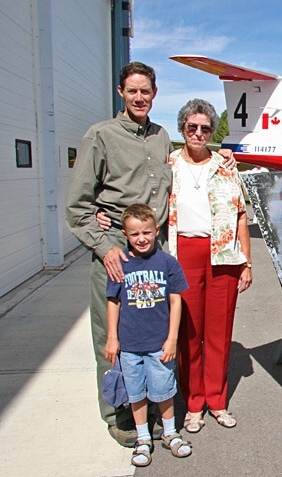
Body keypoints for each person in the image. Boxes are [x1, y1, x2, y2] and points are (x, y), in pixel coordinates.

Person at [66, 61, 235, 447]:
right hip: (116, 252)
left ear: (154, 94)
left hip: (155, 251)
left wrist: (226, 154)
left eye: (146, 91)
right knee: (112, 335)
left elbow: (193, 163)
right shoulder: (101, 136)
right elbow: (77, 206)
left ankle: (158, 401)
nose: (139, 97)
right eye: (132, 91)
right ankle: (119, 413)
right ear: (121, 93)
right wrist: (104, 244)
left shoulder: (161, 138)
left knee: (156, 329)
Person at [168, 99, 253, 434]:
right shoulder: (169, 163)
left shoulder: (225, 165)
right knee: (189, 332)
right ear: (183, 128)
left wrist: (247, 262)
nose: (199, 133)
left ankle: (217, 401)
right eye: (192, 127)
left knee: (219, 332)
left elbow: (241, 214)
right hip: (184, 252)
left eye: (205, 128)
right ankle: (193, 404)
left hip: (222, 255)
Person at [104, 204, 191, 467]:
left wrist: (172, 338)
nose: (141, 238)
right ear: (125, 235)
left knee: (164, 390)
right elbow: (113, 302)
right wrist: (112, 337)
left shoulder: (167, 263)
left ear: (156, 231)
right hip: (130, 345)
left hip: (159, 343)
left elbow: (176, 302)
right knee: (136, 393)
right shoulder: (121, 265)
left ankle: (170, 432)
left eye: (146, 232)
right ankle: (143, 438)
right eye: (134, 234)